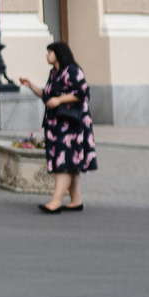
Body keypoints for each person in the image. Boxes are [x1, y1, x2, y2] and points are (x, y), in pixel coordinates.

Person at [16, 40, 94, 213]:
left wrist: (59, 100)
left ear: (58, 54)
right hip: (57, 124)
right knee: (70, 162)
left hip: (71, 125)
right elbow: (47, 95)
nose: (47, 55)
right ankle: (76, 200)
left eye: (49, 52)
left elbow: (82, 93)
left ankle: (56, 201)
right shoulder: (55, 73)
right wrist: (31, 85)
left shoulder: (72, 70)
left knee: (63, 162)